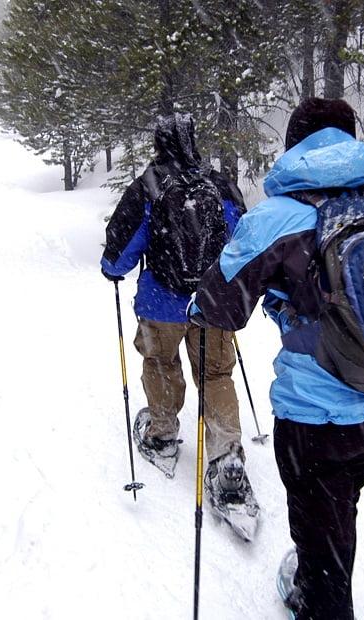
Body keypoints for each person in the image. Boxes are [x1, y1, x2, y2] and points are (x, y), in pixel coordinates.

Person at [191, 98, 364, 619]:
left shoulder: (276, 219)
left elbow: (219, 307)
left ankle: (319, 591)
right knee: (336, 510)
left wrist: (202, 304)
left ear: (294, 144)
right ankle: (319, 565)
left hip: (314, 420)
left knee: (323, 522)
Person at [100, 114, 255, 510]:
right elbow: (244, 241)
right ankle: (226, 456)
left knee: (160, 363)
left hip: (161, 304)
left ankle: (163, 432)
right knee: (216, 373)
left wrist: (111, 269)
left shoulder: (148, 186)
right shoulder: (219, 185)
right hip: (211, 304)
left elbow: (120, 252)